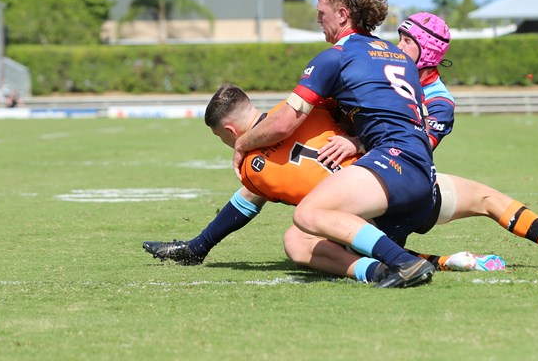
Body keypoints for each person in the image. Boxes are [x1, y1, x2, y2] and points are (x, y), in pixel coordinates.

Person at [306, 11, 538, 272]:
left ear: (427, 51)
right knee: (342, 245)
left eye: (406, 41)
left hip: (401, 183)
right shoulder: (386, 73)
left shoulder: (439, 101)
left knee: (328, 245)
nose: (397, 46)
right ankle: (451, 261)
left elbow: (412, 146)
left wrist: (357, 142)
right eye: (399, 38)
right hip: (404, 183)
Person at [143, 84, 506, 281]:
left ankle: (385, 269)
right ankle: (447, 259)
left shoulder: (254, 168)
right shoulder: (309, 108)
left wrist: (200, 245)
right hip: (409, 185)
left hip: (371, 218)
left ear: (230, 131)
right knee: (489, 201)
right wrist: (355, 140)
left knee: (298, 239)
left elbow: (246, 202)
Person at [233, 0, 444, 288]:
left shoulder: (336, 57)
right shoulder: (399, 57)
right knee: (298, 241)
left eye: (322, 11)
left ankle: (405, 263)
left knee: (307, 213)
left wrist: (242, 143)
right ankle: (379, 271)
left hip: (392, 165)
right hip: (425, 177)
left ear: (342, 14)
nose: (318, 18)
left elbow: (284, 123)